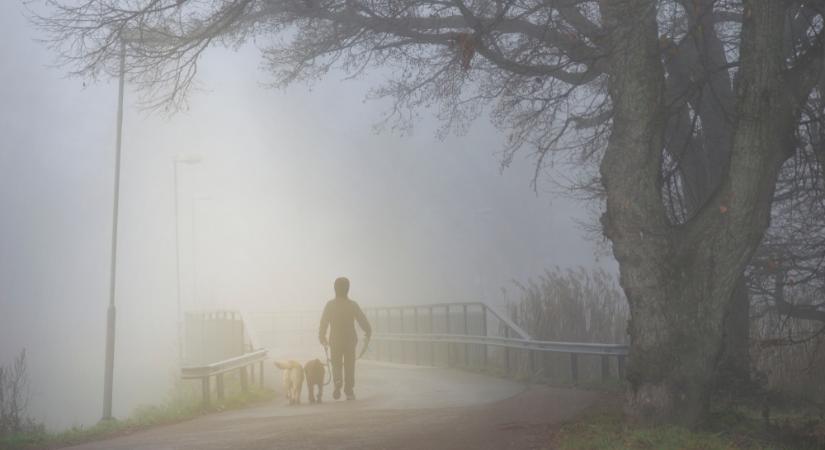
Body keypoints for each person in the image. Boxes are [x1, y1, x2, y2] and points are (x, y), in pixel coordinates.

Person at [318, 277, 372, 400]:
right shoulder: (352, 305)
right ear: (348, 289)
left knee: (336, 363)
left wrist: (322, 337)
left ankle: (337, 381)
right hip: (350, 340)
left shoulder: (330, 305)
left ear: (335, 289)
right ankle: (349, 390)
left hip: (335, 340)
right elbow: (362, 320)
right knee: (349, 365)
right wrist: (368, 331)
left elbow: (323, 322)